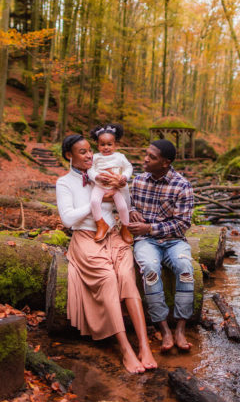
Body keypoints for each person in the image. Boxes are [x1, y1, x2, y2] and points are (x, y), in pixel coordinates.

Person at [55, 134, 157, 373]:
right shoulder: (64, 183)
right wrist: (96, 203)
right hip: (86, 238)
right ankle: (125, 349)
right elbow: (68, 219)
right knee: (108, 279)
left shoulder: (103, 171)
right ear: (69, 155)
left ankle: (144, 345)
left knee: (126, 277)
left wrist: (120, 188)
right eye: (83, 152)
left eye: (91, 151)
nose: (90, 155)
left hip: (114, 236)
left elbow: (126, 205)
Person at [128, 139, 195, 352]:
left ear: (165, 163)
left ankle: (181, 328)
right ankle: (164, 328)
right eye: (146, 154)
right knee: (149, 269)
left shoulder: (182, 186)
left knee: (185, 269)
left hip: (174, 241)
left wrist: (150, 228)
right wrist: (131, 211)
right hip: (145, 242)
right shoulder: (138, 182)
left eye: (152, 157)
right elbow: (127, 204)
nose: (145, 159)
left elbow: (182, 224)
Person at [87, 124, 134, 244]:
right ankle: (101, 224)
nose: (106, 147)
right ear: (97, 145)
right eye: (102, 145)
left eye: (109, 144)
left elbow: (128, 167)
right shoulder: (96, 157)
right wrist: (97, 176)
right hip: (100, 186)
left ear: (115, 145)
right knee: (94, 201)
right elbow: (90, 169)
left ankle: (125, 227)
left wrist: (124, 176)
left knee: (123, 207)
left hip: (115, 187)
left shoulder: (119, 157)